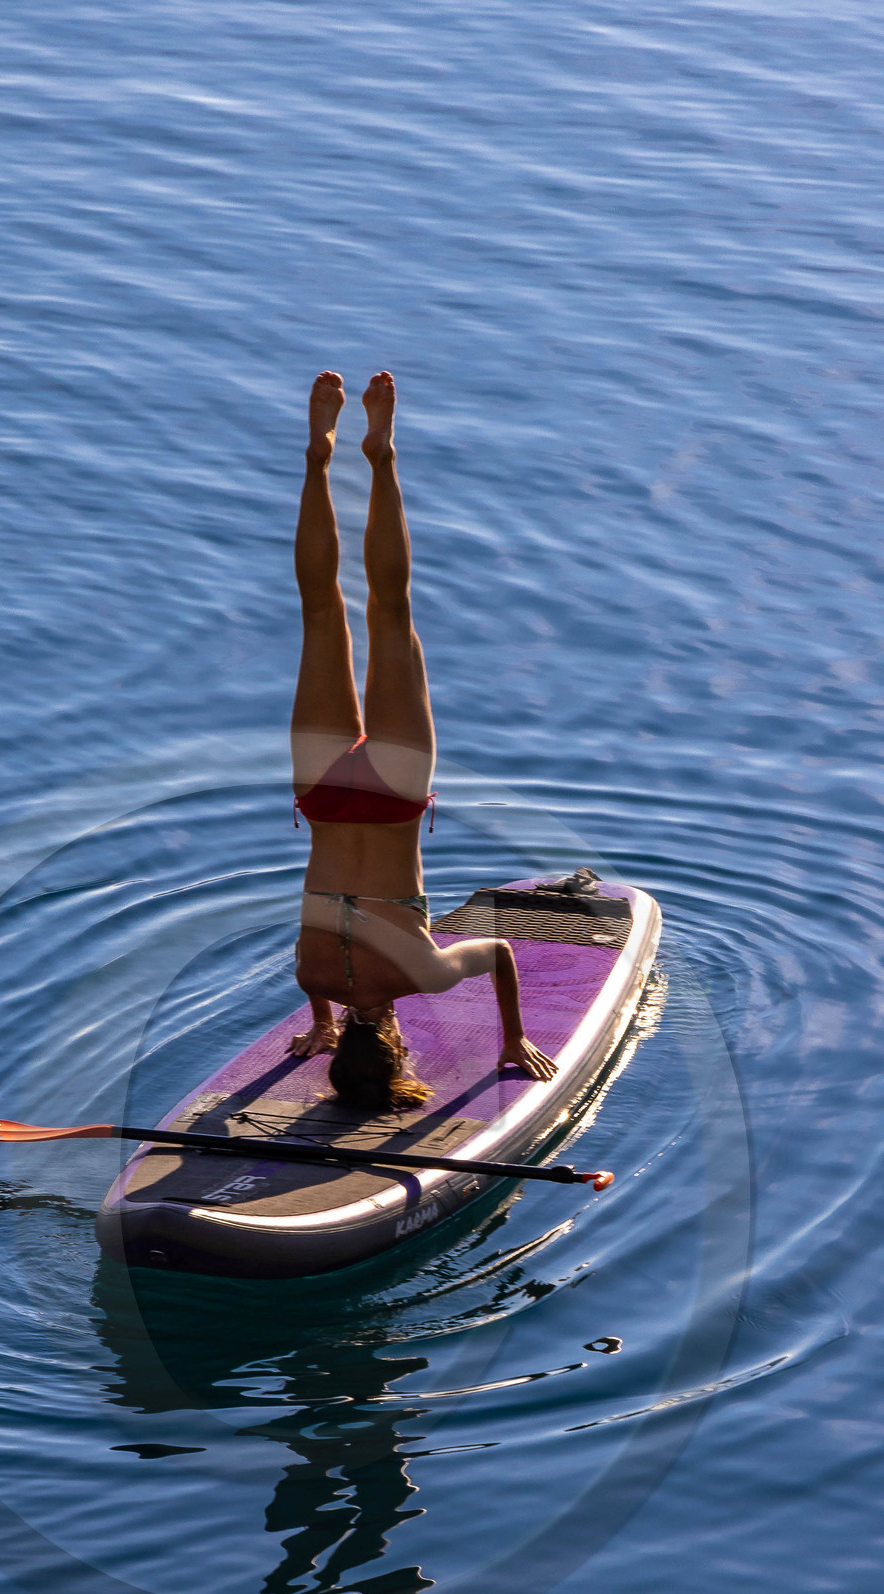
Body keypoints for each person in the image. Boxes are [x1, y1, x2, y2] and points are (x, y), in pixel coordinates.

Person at [289, 370, 558, 1110]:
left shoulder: (419, 976)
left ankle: (382, 456)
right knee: (320, 613)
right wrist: (320, 1023)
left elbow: (499, 954)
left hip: (397, 796)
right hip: (321, 794)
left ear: (401, 1048)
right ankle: (320, 455)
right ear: (343, 1045)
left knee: (391, 614)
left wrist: (511, 1038)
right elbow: (326, 968)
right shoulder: (310, 980)